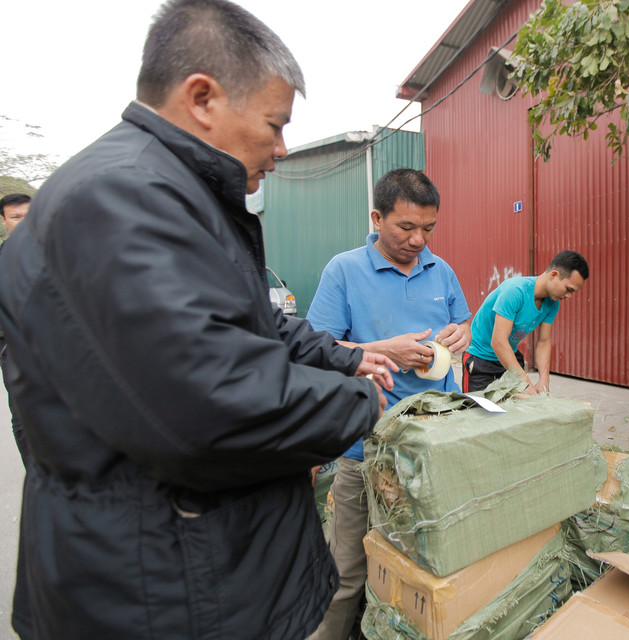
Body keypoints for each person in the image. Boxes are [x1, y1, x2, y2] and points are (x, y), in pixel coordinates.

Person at [0, 2, 398, 639]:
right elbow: (212, 407)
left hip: (185, 571)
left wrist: (345, 355)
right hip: (159, 593)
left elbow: (246, 322)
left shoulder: (168, 194)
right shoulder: (122, 200)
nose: (281, 148)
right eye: (274, 124)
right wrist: (360, 402)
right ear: (204, 98)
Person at [306, 168, 471, 640]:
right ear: (377, 217)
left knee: (421, 565)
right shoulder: (344, 270)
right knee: (346, 572)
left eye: (429, 229)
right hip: (367, 449)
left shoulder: (442, 271)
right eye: (406, 228)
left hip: (434, 446)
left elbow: (462, 322)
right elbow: (319, 351)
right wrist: (384, 352)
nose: (419, 240)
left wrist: (462, 333)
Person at [463, 250, 589, 394]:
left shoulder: (553, 302)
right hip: (481, 358)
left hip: (509, 357)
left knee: (521, 410)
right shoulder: (515, 291)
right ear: (554, 275)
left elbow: (544, 341)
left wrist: (544, 379)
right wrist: (524, 380)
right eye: (568, 289)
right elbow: (498, 342)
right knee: (479, 412)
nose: (568, 296)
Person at [0, 193, 31, 464]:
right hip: (13, 343)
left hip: (60, 340)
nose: (23, 223)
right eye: (15, 217)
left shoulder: (61, 252)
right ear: (4, 220)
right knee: (23, 414)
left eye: (28, 216)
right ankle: (36, 473)